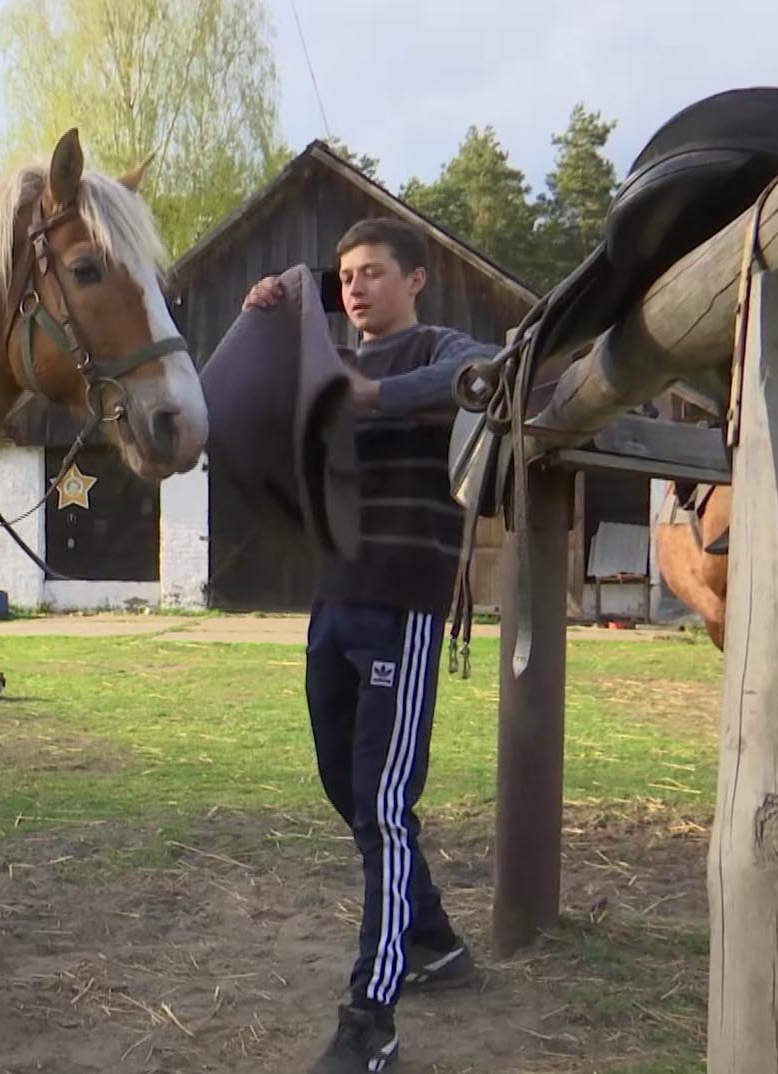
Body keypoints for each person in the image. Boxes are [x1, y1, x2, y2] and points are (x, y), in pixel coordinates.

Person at [242, 216, 495, 1074]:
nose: (354, 287)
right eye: (344, 275)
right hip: (335, 600)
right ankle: (432, 941)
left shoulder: (439, 345)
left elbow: (487, 376)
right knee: (349, 790)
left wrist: (376, 398)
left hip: (403, 601)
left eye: (373, 272)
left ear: (414, 278)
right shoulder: (327, 363)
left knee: (385, 807)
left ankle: (371, 1018)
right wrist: (268, 314)